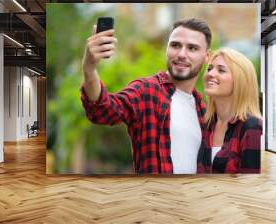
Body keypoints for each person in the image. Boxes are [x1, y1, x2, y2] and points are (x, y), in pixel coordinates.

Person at [80, 18, 212, 174]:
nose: (182, 54)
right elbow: (104, 110)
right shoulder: (146, 90)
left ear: (206, 56)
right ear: (167, 49)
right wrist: (89, 69)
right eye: (175, 45)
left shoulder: (202, 108)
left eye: (192, 48)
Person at [197, 47, 263, 174]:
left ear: (240, 80)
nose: (210, 74)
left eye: (221, 70)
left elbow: (251, 185)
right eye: (209, 69)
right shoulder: (205, 124)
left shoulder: (253, 128)